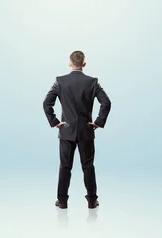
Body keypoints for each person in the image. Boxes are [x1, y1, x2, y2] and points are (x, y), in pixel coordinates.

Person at [43, 50, 112, 209]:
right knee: (88, 166)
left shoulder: (60, 81)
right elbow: (106, 103)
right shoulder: (92, 82)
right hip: (86, 131)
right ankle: (92, 201)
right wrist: (98, 122)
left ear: (69, 63)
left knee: (65, 166)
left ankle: (62, 201)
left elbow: (47, 103)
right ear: (84, 64)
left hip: (66, 131)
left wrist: (55, 122)